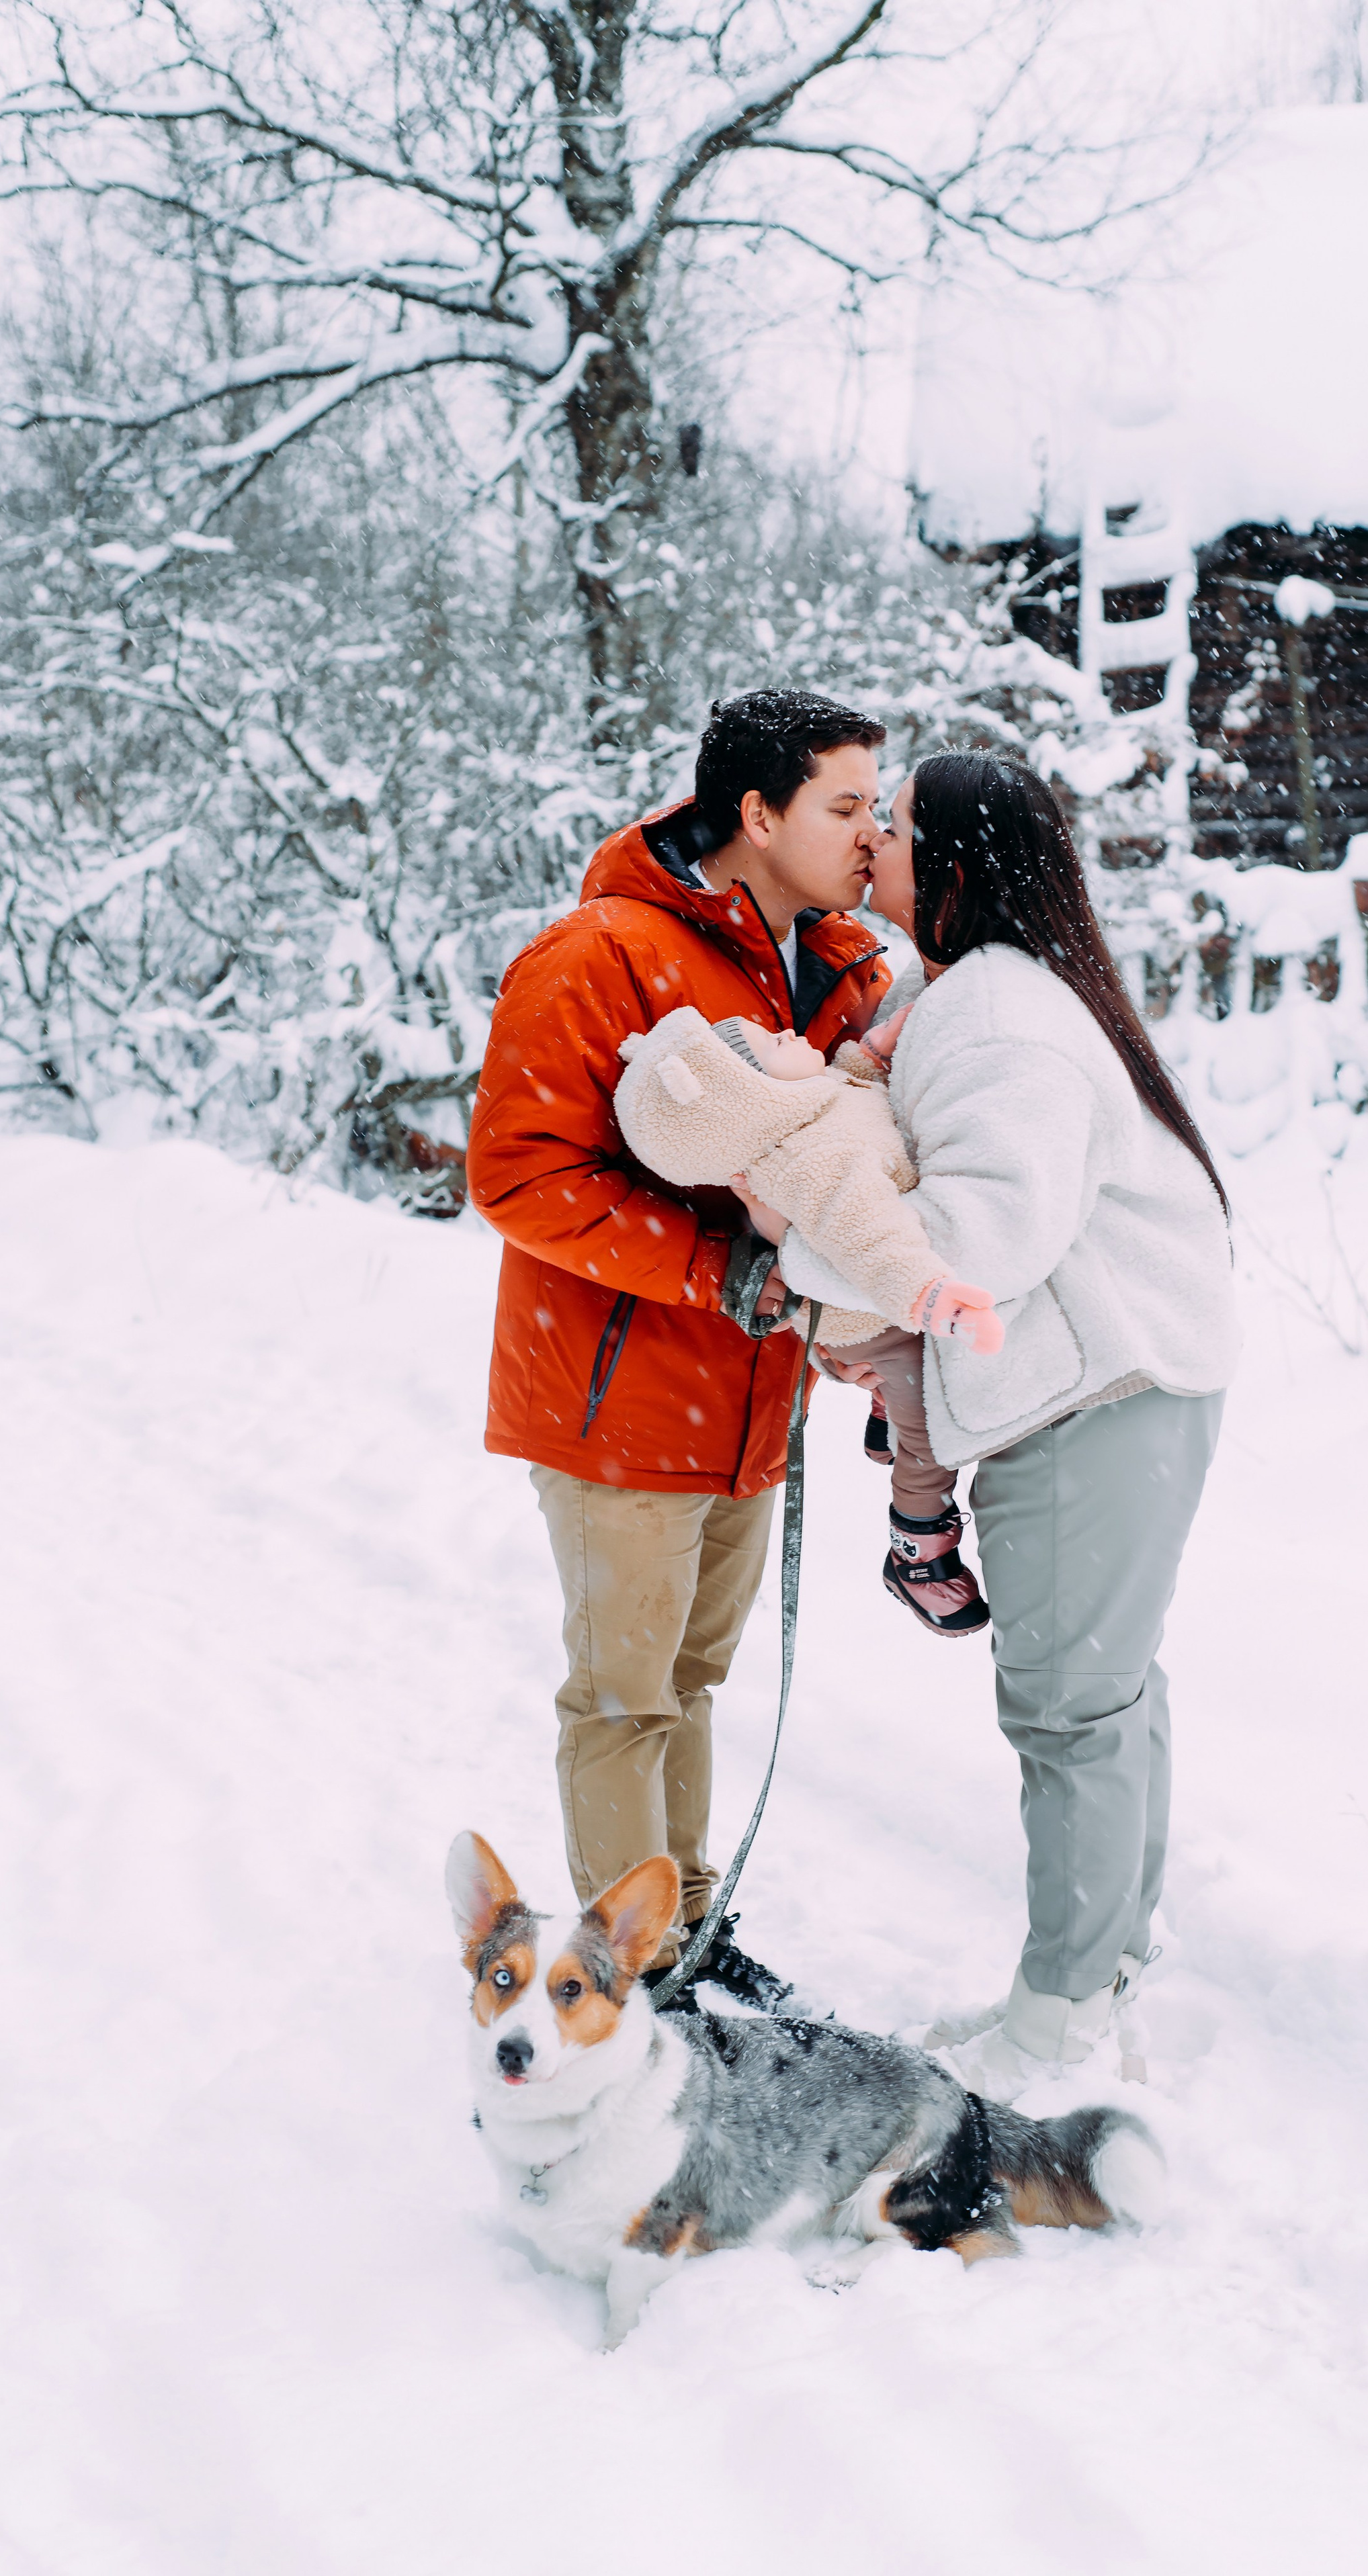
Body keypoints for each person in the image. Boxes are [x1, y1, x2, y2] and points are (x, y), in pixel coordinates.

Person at [803, 751, 1241, 2094]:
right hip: (1126, 1383)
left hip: (1095, 1398)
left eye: (895, 826)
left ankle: (1056, 2018)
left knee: (1067, 1707)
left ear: (953, 862)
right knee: (1106, 1693)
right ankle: (1099, 1969)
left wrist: (800, 1254)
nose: (871, 842)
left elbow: (978, 1237)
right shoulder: (991, 993)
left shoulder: (994, 1013)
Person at [466, 691, 892, 2010]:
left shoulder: (823, 969)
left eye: (877, 808)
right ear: (757, 817)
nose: (871, 834)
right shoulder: (598, 955)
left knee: (690, 1684)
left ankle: (686, 1933)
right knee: (621, 1697)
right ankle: (620, 1973)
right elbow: (517, 1174)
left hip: (750, 1406)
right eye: (843, 807)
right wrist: (717, 1270)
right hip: (616, 1400)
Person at [610, 1000, 1003, 1637]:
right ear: (748, 1095)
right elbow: (868, 1238)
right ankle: (917, 1543)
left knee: (919, 1386)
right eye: (770, 1043)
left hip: (871, 1297)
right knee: (932, 1422)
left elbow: (853, 1091)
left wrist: (871, 1054)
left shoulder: (813, 1105)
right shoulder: (806, 1158)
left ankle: (884, 1418)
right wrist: (930, 1294)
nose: (790, 1032)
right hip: (872, 1312)